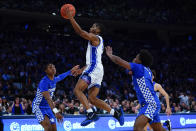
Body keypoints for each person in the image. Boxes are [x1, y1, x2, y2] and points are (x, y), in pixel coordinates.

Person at [65, 8, 124, 126]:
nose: (91, 27)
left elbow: (81, 32)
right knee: (92, 99)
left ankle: (91, 114)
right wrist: (82, 70)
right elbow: (91, 60)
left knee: (77, 90)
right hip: (97, 69)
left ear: (98, 30)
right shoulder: (97, 41)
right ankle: (115, 112)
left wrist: (70, 17)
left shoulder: (95, 38)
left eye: (94, 26)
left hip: (94, 69)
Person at [105, 46, 166, 131]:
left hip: (149, 103)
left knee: (137, 128)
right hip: (151, 102)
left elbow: (119, 61)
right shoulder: (146, 69)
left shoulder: (138, 67)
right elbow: (130, 72)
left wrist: (110, 55)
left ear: (140, 61)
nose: (134, 58)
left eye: (136, 57)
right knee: (158, 129)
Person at [32, 64, 79, 131]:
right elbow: (48, 99)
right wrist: (56, 112)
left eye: (54, 67)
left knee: (54, 129)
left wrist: (70, 71)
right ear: (46, 71)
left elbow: (61, 76)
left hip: (48, 107)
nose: (53, 68)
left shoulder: (54, 79)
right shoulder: (44, 82)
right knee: (48, 127)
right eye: (50, 67)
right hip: (39, 107)